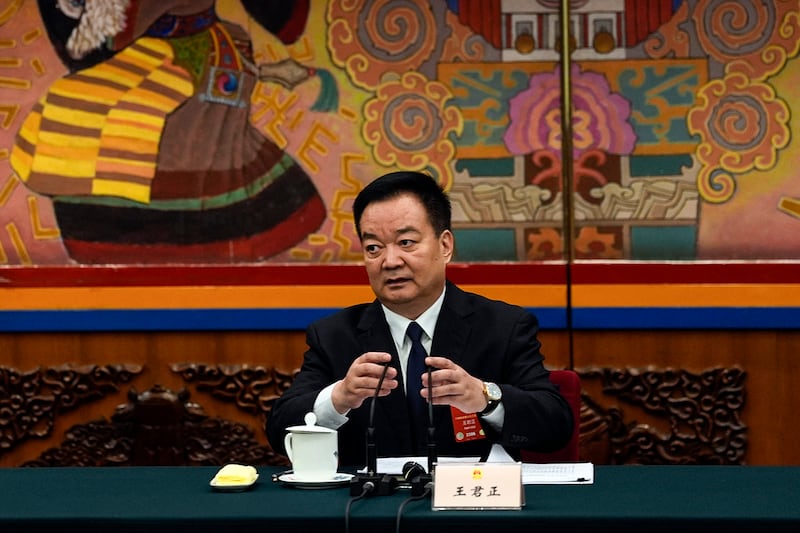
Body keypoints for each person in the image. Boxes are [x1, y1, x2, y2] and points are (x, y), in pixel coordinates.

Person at [266, 171, 574, 468]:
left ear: (445, 246)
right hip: (368, 514)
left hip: (472, 510)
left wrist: (485, 397)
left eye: (406, 242)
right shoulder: (334, 336)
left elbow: (556, 426)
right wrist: (339, 397)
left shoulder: (503, 326)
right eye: (373, 247)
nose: (390, 261)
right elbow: (280, 431)